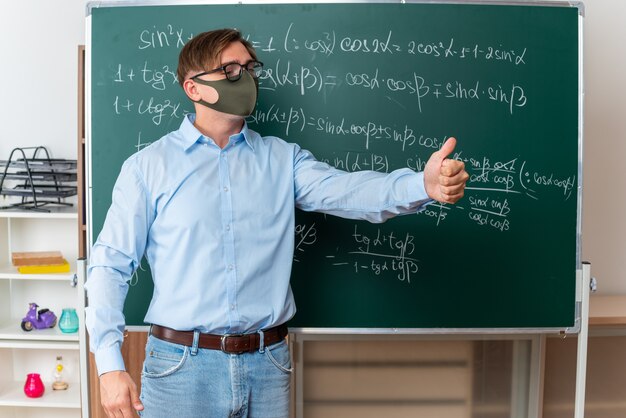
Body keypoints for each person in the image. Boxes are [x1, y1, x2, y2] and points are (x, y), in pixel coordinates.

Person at [85, 28, 469, 418]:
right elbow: (110, 265)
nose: (246, 79)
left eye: (250, 69)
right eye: (230, 70)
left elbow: (348, 191)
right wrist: (109, 365)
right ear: (194, 87)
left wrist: (422, 184)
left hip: (267, 366)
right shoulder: (148, 168)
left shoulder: (282, 160)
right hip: (181, 368)